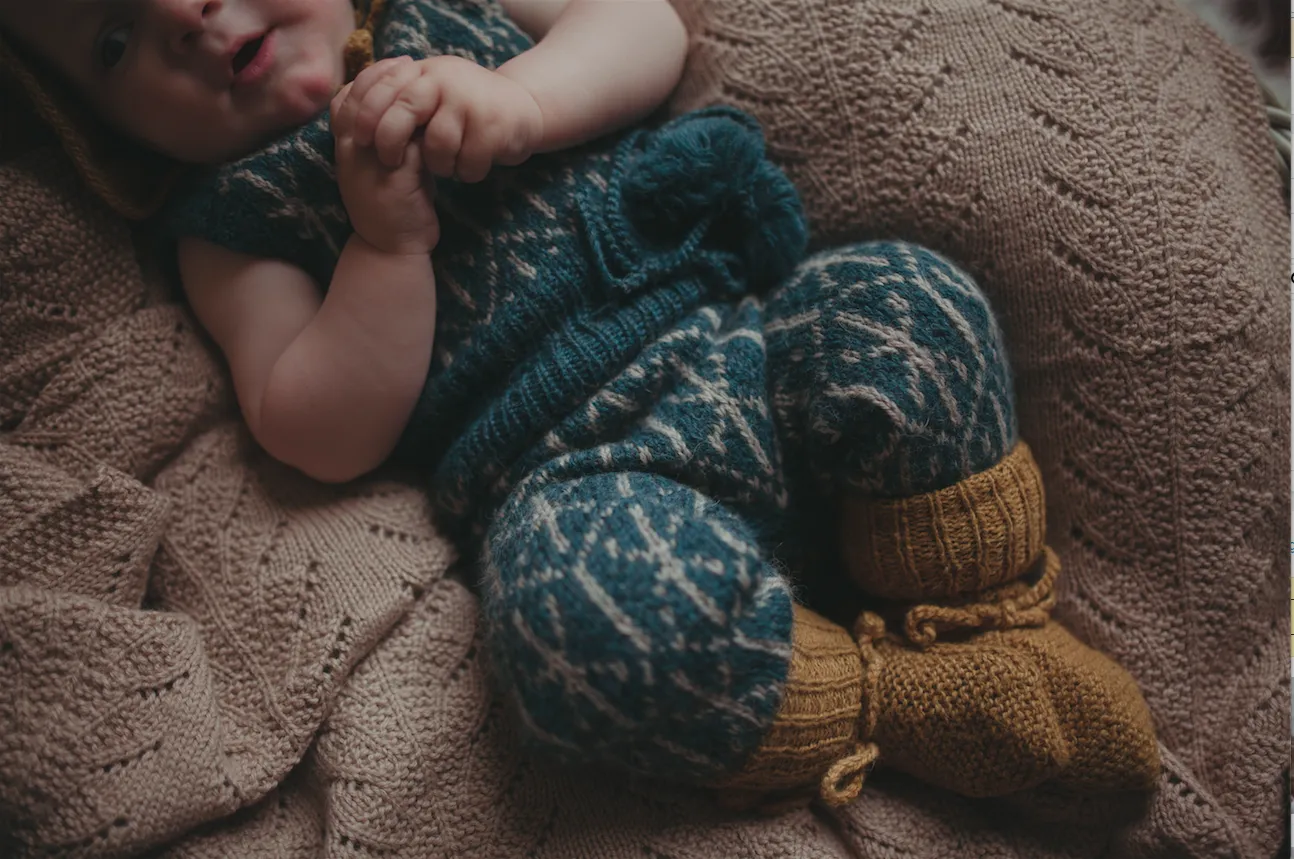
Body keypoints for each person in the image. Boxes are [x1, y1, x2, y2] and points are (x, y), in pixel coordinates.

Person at [0, 0, 1160, 808]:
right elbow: (312, 425)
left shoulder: (439, 9)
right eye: (111, 38)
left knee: (907, 301)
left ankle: (980, 617)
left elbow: (642, 24)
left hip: (747, 345)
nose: (184, 17)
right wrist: (383, 244)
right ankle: (897, 703)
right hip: (584, 486)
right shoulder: (233, 220)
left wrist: (521, 102)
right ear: (97, 136)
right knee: (564, 625)